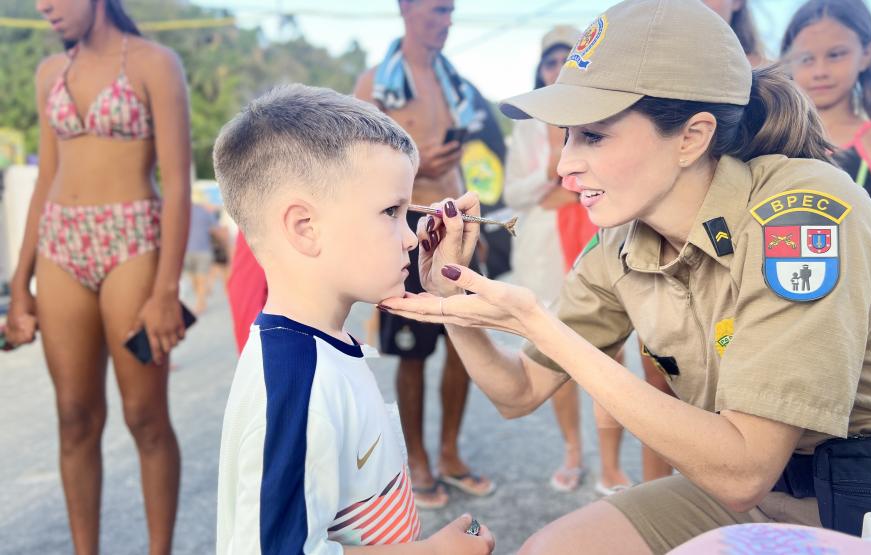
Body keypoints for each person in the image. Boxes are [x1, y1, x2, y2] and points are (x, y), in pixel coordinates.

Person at [378, 0, 871, 553]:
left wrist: (543, 326)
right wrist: (453, 297)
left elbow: (744, 465)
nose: (564, 167)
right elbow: (518, 394)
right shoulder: (621, 243)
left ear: (691, 136)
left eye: (593, 136)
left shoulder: (799, 214)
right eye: (565, 137)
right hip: (748, 488)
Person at [213, 84, 494, 555]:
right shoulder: (297, 386)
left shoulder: (321, 344)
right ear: (305, 228)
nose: (410, 238)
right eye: (391, 212)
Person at [5, 1, 190, 553]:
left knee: (145, 416)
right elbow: (44, 180)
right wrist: (20, 283)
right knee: (73, 416)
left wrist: (166, 290)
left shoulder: (156, 64)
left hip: (133, 239)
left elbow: (178, 183)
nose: (44, 7)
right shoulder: (49, 74)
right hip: (61, 241)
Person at [352, 0, 493, 508]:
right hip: (409, 223)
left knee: (464, 341)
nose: (447, 21)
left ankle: (451, 453)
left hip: (455, 220)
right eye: (437, 10)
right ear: (407, 9)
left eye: (451, 11)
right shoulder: (374, 83)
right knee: (411, 350)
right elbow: (356, 163)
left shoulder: (453, 81)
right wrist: (415, 162)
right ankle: (418, 459)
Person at [505, 25, 631, 494]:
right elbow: (512, 193)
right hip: (546, 250)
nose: (557, 68)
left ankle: (612, 465)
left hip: (597, 237)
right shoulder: (525, 127)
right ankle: (572, 453)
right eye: (549, 60)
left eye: (569, 58)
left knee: (610, 353)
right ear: (540, 70)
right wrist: (548, 170)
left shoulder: (608, 118)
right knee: (556, 351)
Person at [781, 0, 871, 304]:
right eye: (805, 59)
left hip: (869, 308)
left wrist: (860, 307)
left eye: (836, 55)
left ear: (867, 54)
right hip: (788, 303)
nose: (820, 71)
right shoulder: (774, 139)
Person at [184, 199, 220, 314]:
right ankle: (202, 298)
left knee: (200, 278)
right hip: (187, 251)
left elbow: (215, 229)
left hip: (203, 250)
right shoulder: (182, 212)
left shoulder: (204, 211)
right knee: (194, 279)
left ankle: (200, 303)